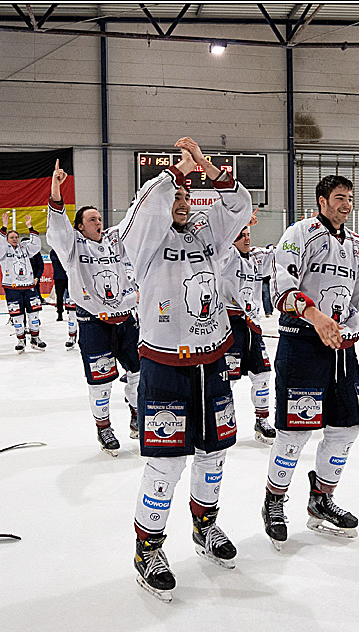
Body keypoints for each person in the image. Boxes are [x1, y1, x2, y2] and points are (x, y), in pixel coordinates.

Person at [119, 137, 253, 602]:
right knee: (165, 463)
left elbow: (238, 207)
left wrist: (209, 169)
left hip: (211, 363)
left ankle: (205, 526)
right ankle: (148, 548)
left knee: (213, 455)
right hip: (164, 366)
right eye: (172, 194)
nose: (179, 199)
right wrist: (171, 176)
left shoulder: (204, 236)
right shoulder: (141, 242)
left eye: (184, 194)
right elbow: (145, 212)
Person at [261, 175, 359, 550]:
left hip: (344, 351)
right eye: (340, 198)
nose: (347, 204)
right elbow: (282, 288)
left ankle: (321, 498)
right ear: (322, 201)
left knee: (345, 429)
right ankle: (274, 502)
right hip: (304, 345)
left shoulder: (358, 246)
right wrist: (316, 317)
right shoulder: (299, 232)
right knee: (295, 432)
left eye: (350, 198)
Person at [48, 160, 141, 456]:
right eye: (91, 219)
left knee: (139, 373)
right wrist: (56, 187)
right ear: (79, 226)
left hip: (126, 320)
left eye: (99, 218)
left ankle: (137, 414)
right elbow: (58, 226)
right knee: (100, 381)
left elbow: (135, 221)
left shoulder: (115, 240)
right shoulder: (72, 246)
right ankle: (104, 428)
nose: (98, 222)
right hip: (93, 324)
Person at [219, 213, 277, 445]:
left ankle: (262, 420)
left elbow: (280, 250)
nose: (246, 239)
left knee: (262, 374)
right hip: (229, 325)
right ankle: (223, 420)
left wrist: (307, 226)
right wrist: (236, 221)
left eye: (247, 235)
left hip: (252, 326)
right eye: (240, 236)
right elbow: (221, 242)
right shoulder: (226, 257)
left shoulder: (255, 257)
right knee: (228, 378)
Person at [0, 211, 45, 352]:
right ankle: (21, 340)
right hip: (12, 288)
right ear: (7, 239)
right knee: (17, 316)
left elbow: (36, 246)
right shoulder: (3, 250)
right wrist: (4, 226)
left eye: (16, 237)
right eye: (12, 237)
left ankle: (35, 338)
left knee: (34, 314)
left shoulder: (25, 248)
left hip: (29, 286)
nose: (15, 239)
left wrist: (30, 227)